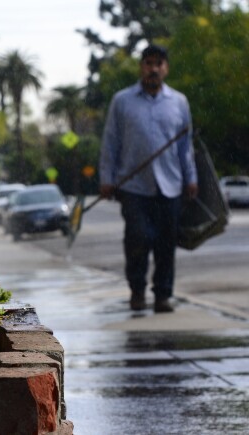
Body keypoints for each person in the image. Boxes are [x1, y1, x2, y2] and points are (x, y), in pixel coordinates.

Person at [99, 44, 198, 313]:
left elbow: (185, 146)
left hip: (171, 185)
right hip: (134, 186)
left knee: (166, 244)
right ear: (141, 67)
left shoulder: (179, 102)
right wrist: (106, 178)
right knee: (138, 239)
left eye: (158, 64)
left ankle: (163, 295)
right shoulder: (122, 100)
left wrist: (191, 178)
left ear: (165, 68)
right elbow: (111, 142)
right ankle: (138, 291)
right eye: (148, 63)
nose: (153, 68)